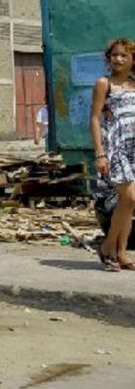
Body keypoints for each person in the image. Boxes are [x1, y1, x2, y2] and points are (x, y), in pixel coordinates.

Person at [90, 38, 135, 272]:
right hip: (115, 147)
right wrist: (100, 154)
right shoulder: (104, 84)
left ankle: (121, 252)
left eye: (123, 55)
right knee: (130, 198)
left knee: (127, 204)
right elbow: (95, 118)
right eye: (114, 55)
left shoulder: (134, 84)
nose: (118, 59)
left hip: (133, 147)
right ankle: (108, 246)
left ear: (132, 60)